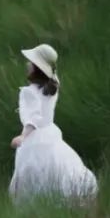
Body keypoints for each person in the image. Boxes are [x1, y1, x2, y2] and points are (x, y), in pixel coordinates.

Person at [8, 43, 98, 204]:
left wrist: (22, 136)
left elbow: (33, 119)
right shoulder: (52, 85)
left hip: (35, 138)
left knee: (34, 171)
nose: (27, 64)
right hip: (50, 133)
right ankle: (63, 198)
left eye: (31, 62)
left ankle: (40, 203)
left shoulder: (30, 93)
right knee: (56, 166)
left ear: (36, 68)